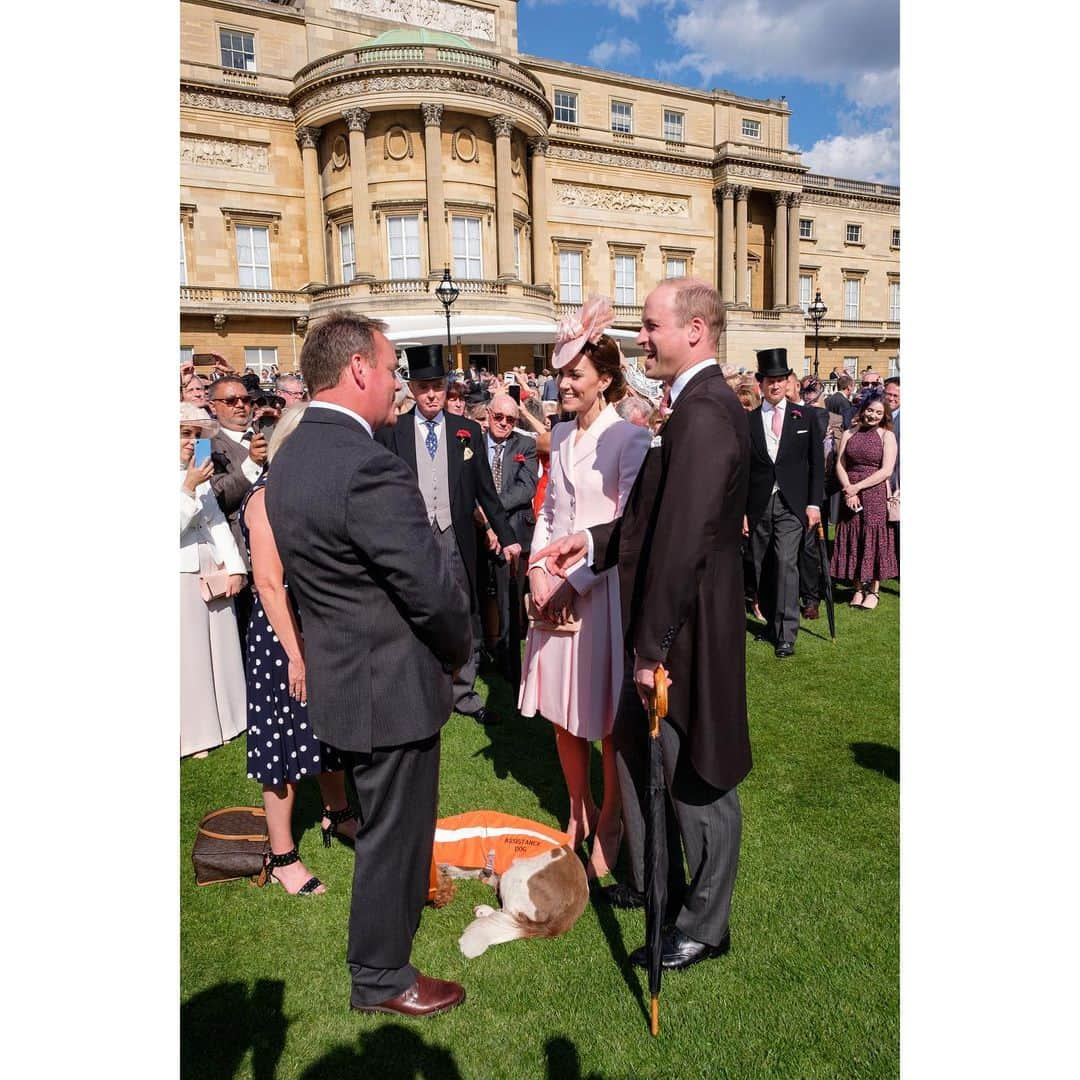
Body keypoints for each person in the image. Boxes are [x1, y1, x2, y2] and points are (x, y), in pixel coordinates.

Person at [534, 279, 751, 973]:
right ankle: (651, 882)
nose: (640, 339)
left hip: (684, 633)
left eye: (651, 326)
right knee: (637, 750)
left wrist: (652, 648)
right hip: (655, 623)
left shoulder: (708, 412)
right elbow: (649, 520)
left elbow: (683, 541)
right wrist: (592, 544)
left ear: (694, 330)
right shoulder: (685, 408)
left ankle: (703, 925)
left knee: (696, 775)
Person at [267, 312, 472, 1018]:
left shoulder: (290, 454)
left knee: (386, 824)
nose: (395, 386)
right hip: (389, 684)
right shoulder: (365, 464)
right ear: (358, 369)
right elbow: (428, 587)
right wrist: (458, 650)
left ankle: (388, 941)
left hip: (346, 676)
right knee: (393, 833)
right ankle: (381, 975)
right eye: (389, 371)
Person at [520, 297, 651, 881]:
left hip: (605, 599)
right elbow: (549, 510)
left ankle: (611, 823)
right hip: (556, 594)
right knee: (559, 711)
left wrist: (574, 581)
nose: (565, 383)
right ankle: (577, 809)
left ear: (605, 378)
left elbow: (626, 528)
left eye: (575, 374)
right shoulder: (562, 431)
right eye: (561, 374)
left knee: (604, 720)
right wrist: (537, 572)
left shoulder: (630, 439)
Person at [239, 403, 360, 896]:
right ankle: (284, 854)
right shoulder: (265, 498)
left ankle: (339, 814)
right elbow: (268, 584)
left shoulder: (302, 492)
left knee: (325, 730)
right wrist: (295, 653)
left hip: (314, 628)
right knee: (280, 745)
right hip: (280, 637)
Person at [375, 345, 520, 727]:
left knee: (465, 611)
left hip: (457, 536)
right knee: (415, 613)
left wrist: (507, 536)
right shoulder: (394, 431)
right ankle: (422, 689)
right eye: (424, 387)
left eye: (438, 386)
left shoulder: (466, 431)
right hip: (414, 540)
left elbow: (486, 491)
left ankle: (464, 692)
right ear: (411, 389)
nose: (432, 395)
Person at [744, 348, 824, 658]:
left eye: (780, 380)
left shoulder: (805, 417)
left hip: (793, 505)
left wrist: (815, 505)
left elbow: (817, 465)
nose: (775, 386)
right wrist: (742, 512)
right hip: (758, 503)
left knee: (787, 563)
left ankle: (786, 633)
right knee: (762, 566)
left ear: (788, 381)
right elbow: (743, 469)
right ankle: (770, 623)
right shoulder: (748, 421)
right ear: (760, 384)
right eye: (769, 381)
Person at [180, 403, 247, 758]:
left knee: (219, 650)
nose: (191, 442)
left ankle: (230, 720)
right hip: (180, 574)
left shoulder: (199, 472)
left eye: (195, 435)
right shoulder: (190, 477)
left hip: (211, 570)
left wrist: (236, 566)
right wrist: (188, 488)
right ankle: (192, 734)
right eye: (184, 434)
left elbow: (218, 521)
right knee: (188, 656)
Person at [477, 393, 537, 686]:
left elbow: (526, 489)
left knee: (509, 603)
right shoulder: (472, 444)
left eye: (510, 419)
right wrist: (483, 520)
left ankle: (512, 667)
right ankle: (479, 657)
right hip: (477, 530)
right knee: (478, 598)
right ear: (488, 414)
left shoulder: (525, 445)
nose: (503, 424)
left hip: (512, 534)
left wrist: (493, 516)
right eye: (498, 417)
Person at [207, 376, 269, 643]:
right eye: (230, 401)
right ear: (213, 406)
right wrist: (252, 464)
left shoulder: (263, 433)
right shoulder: (203, 444)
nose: (240, 405)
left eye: (246, 400)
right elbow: (214, 497)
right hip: (241, 555)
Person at [830, 387, 898, 610]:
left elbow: (886, 470)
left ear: (884, 415)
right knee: (853, 537)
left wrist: (856, 487)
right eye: (870, 411)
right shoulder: (850, 433)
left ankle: (874, 591)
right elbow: (840, 463)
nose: (873, 416)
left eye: (879, 413)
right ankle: (857, 588)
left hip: (875, 492)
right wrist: (848, 488)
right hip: (850, 491)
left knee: (873, 539)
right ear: (863, 409)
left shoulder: (887, 436)